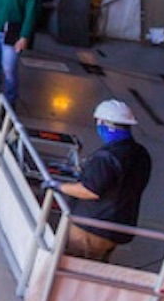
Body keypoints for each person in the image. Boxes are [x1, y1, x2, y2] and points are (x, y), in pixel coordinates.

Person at [42, 99, 151, 261]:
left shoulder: (107, 157)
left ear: (103, 123)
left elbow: (90, 190)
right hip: (117, 227)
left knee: (73, 267)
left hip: (91, 229)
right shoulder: (141, 154)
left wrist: (58, 186)